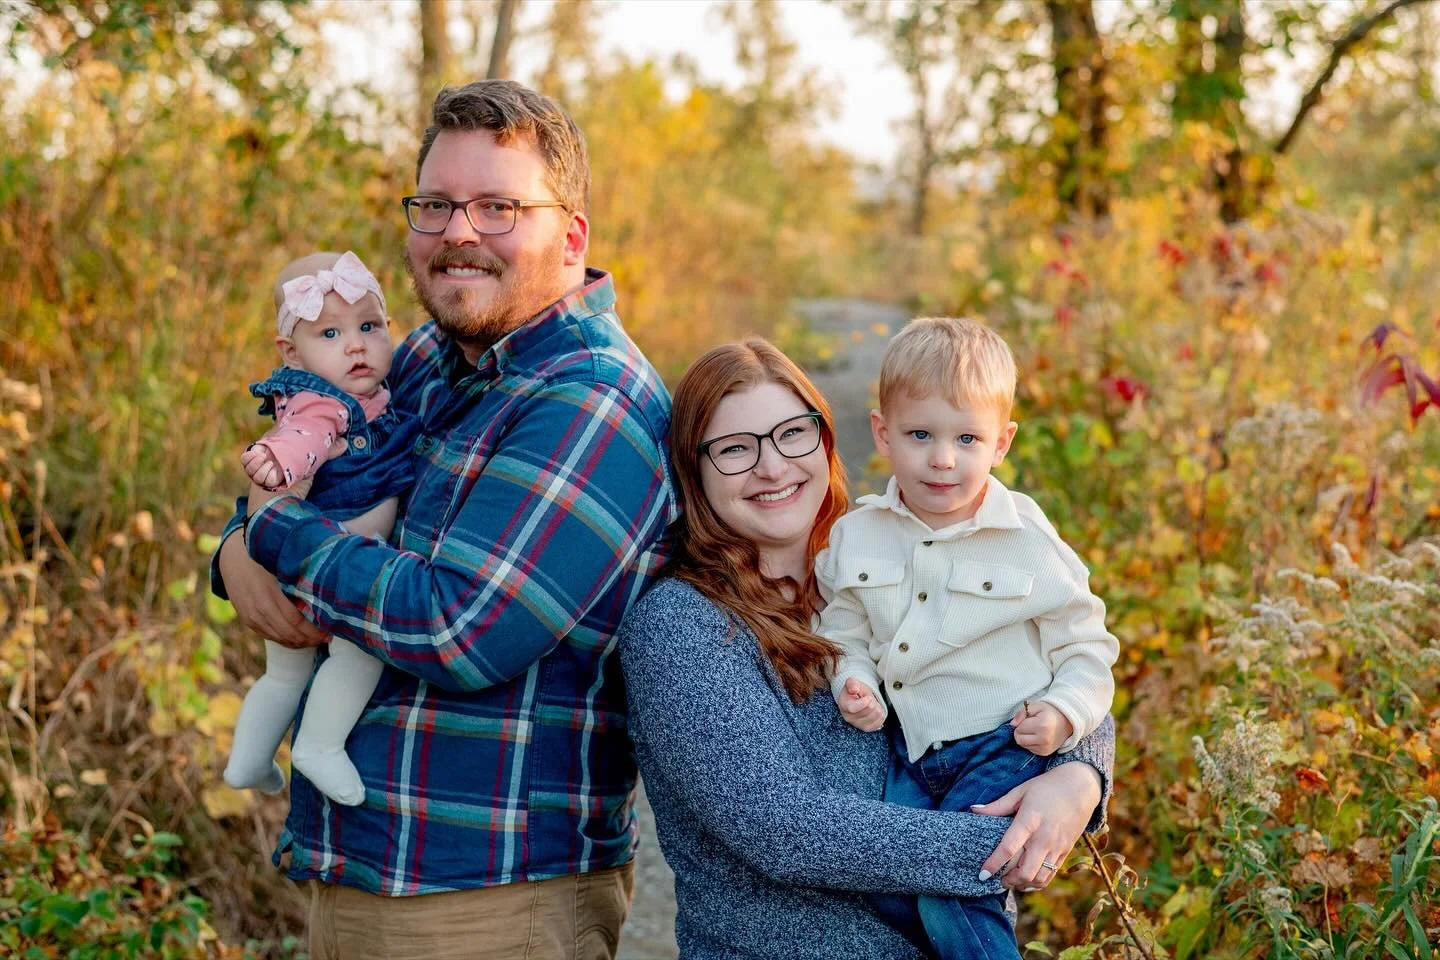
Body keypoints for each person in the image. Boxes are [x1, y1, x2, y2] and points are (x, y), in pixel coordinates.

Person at [212, 80, 676, 960]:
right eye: (436, 204)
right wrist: (237, 545)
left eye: (499, 206)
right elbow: (317, 474)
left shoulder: (590, 400)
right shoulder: (426, 355)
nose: (459, 231)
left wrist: (269, 536)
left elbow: (458, 625)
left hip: (489, 899)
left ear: (570, 236)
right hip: (364, 867)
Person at [618, 338, 1114, 960]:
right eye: (735, 449)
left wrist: (1079, 773)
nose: (772, 468)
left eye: (791, 434)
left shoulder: (882, 552)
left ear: (824, 443)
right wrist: (1013, 839)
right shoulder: (681, 624)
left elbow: (1040, 653)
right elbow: (784, 830)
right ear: (694, 469)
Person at [816, 316, 1120, 958]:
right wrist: (854, 679)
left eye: (967, 438)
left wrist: (1066, 715)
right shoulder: (857, 536)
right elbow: (843, 629)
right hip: (909, 752)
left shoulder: (1026, 539)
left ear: (1002, 442)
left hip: (1000, 745)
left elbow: (1087, 647)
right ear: (882, 432)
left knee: (957, 885)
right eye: (920, 434)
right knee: (887, 885)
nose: (942, 458)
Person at [223, 250, 416, 808]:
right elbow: (303, 438)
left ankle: (249, 760)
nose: (355, 345)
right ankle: (319, 746)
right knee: (359, 654)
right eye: (329, 332)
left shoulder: (370, 394)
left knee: (283, 675)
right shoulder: (324, 403)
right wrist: (276, 462)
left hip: (303, 562)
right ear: (293, 354)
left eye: (369, 326)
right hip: (328, 562)